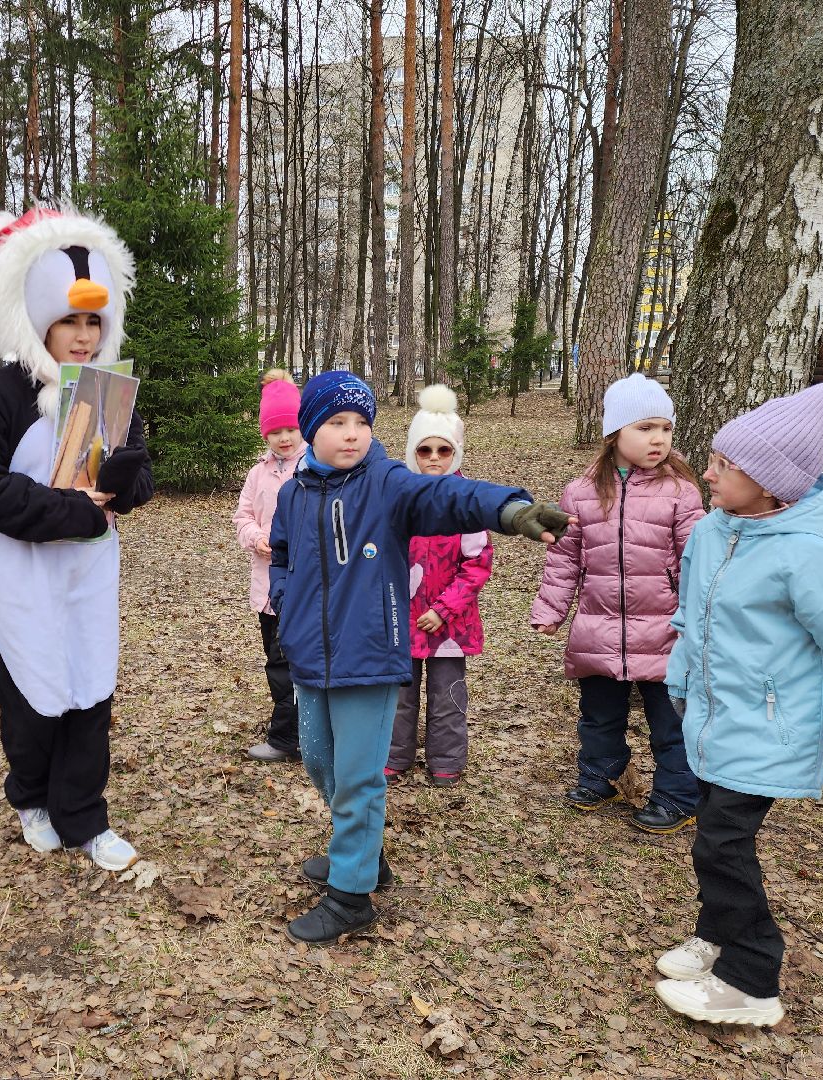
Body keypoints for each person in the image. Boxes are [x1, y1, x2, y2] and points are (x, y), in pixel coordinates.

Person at [269, 370, 570, 944]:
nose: (352, 433)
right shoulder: (293, 492)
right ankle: (363, 852)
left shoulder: (387, 484)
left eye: (361, 421)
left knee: (358, 777)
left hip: (373, 656)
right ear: (311, 428)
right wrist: (284, 600)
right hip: (310, 655)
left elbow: (448, 496)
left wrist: (508, 511)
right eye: (337, 422)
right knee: (318, 760)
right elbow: (282, 553)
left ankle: (352, 895)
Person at [653, 380, 823, 1027]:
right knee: (713, 839)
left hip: (768, 734)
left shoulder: (808, 560)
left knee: (720, 847)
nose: (707, 470)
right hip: (715, 725)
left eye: (724, 466)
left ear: (769, 484)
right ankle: (715, 935)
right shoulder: (715, 532)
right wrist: (682, 684)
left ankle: (751, 978)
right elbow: (692, 619)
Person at [0, 206, 154, 872]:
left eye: (94, 321)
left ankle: (86, 818)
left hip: (88, 576)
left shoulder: (107, 391)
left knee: (90, 689)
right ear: (41, 320)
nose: (84, 335)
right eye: (71, 320)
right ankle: (30, 795)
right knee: (33, 698)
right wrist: (71, 510)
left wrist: (124, 484)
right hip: (20, 578)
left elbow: (140, 478)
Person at [531, 373, 704, 834]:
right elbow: (565, 557)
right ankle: (600, 775)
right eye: (645, 428)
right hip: (599, 625)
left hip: (665, 630)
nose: (658, 439)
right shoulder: (581, 491)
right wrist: (551, 609)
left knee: (670, 720)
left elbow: (696, 559)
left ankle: (677, 794)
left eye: (665, 429)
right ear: (615, 433)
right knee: (598, 713)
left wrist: (699, 617)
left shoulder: (681, 491)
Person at [386, 385, 492, 788]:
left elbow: (477, 565)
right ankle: (395, 756)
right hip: (401, 618)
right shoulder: (398, 497)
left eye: (443, 450)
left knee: (448, 696)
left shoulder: (467, 502)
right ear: (412, 452)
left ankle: (447, 759)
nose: (433, 458)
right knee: (398, 696)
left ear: (456, 453)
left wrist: (444, 609)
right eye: (424, 450)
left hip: (450, 622)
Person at [233, 369, 307, 762]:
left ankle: (302, 733)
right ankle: (286, 735)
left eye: (291, 428)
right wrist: (256, 537)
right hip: (269, 589)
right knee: (277, 661)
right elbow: (242, 516)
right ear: (265, 434)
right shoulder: (257, 473)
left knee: (307, 658)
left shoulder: (314, 467)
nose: (284, 437)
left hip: (308, 584)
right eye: (275, 430)